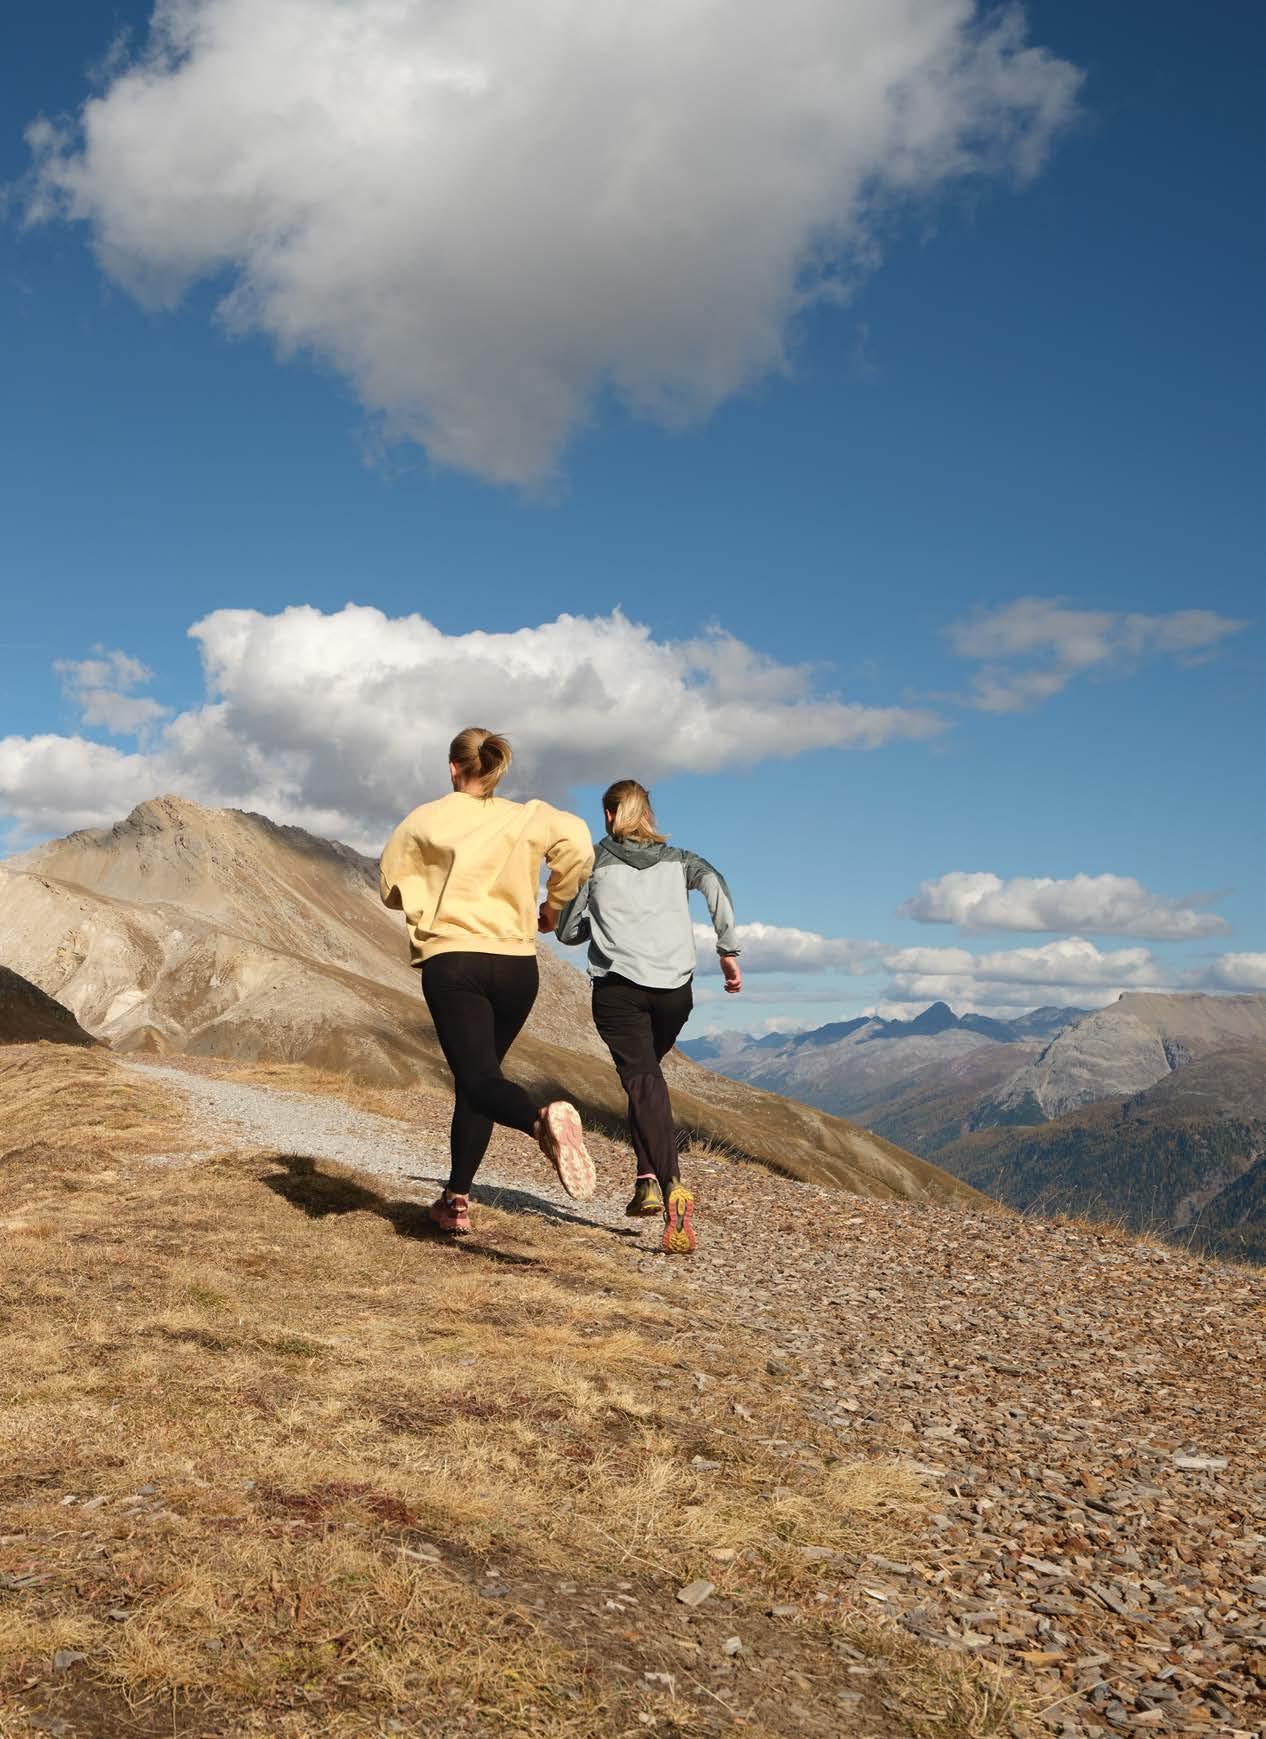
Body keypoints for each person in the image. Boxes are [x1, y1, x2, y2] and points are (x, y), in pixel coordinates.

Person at [380, 727, 598, 1235]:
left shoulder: (426, 818)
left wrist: (429, 890)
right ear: (495, 769)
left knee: (478, 1079)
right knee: (479, 1079)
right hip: (518, 965)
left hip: (455, 961)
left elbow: (389, 885)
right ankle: (455, 1200)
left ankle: (540, 1122)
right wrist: (552, 906)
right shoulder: (530, 816)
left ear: (453, 767)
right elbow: (579, 847)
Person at [549, 779, 741, 1254]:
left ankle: (671, 1182)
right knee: (646, 1081)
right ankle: (646, 1181)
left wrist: (596, 924)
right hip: (675, 994)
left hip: (619, 992)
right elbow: (716, 884)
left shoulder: (593, 862)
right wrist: (727, 950)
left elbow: (567, 931)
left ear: (610, 815)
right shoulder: (682, 861)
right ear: (648, 815)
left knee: (642, 1081)